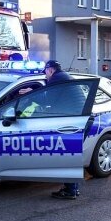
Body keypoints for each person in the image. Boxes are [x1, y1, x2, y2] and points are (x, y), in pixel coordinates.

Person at [44, 60, 80, 200]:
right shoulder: (65, 76)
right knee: (71, 155)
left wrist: (31, 92)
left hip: (71, 122)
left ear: (50, 70)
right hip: (77, 119)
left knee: (67, 156)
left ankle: (70, 190)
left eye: (45, 72)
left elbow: (47, 101)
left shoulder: (56, 80)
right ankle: (73, 189)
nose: (45, 75)